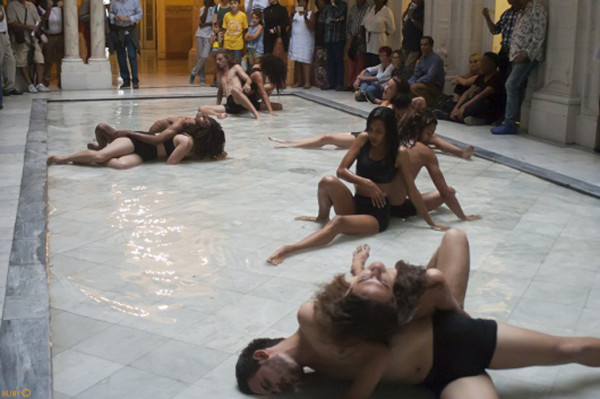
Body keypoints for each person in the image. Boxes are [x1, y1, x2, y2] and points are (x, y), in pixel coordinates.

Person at [238, 227, 600, 399]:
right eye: (273, 394)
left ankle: (436, 293)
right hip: (441, 378)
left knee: (570, 350)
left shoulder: (309, 319)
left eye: (268, 384)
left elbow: (377, 351)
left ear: (263, 354)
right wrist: (356, 266)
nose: (280, 390)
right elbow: (356, 308)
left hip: (453, 333)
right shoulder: (314, 371)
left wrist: (360, 269)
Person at [266, 107, 405, 265]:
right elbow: (341, 171)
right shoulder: (363, 139)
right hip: (357, 202)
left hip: (376, 215)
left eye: (379, 131)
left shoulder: (398, 152)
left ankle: (289, 249)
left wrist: (430, 222)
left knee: (338, 222)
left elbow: (410, 189)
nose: (373, 134)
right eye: (371, 129)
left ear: (389, 132)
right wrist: (367, 183)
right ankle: (322, 217)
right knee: (327, 181)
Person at [269, 94, 475, 160]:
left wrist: (460, 153)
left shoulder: (421, 135)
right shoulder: (408, 119)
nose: (431, 135)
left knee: (327, 139)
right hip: (368, 135)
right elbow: (419, 100)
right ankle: (290, 142)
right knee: (326, 138)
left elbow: (440, 143)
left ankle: (290, 145)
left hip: (370, 139)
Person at [47, 113, 227, 169]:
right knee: (100, 157)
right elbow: (171, 162)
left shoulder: (194, 146)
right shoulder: (186, 142)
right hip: (139, 143)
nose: (200, 118)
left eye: (205, 120)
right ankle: (61, 158)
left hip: (146, 155)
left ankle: (108, 144)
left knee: (120, 166)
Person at [491, 0, 547, 135]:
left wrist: (526, 53)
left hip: (526, 57)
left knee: (511, 85)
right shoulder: (524, 10)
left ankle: (510, 122)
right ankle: (509, 120)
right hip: (515, 55)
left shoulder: (536, 9)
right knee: (513, 86)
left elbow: (539, 34)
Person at [197, 50, 261, 119]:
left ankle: (256, 114)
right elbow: (220, 92)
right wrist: (217, 105)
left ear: (227, 59)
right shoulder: (220, 74)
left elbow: (248, 79)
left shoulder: (235, 68)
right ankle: (219, 114)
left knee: (234, 90)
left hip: (238, 99)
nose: (217, 62)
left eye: (220, 59)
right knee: (201, 108)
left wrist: (247, 84)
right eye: (216, 60)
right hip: (230, 104)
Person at [447, 52, 505, 126]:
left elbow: (481, 95)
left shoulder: (497, 78)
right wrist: (457, 107)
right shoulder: (481, 77)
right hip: (477, 102)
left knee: (469, 108)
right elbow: (467, 93)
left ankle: (483, 120)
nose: (482, 65)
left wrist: (463, 107)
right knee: (453, 106)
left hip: (489, 106)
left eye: (485, 62)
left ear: (492, 64)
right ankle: (458, 116)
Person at [7, 0, 50, 93]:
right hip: (20, 38)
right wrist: (28, 27)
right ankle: (30, 84)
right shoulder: (12, 6)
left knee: (40, 59)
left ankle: (39, 83)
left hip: (33, 37)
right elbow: (11, 23)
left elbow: (38, 21)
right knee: (22, 61)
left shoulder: (31, 5)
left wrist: (47, 13)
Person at [482, 0, 522, 81]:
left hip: (516, 52)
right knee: (502, 78)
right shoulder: (506, 13)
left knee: (512, 80)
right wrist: (487, 18)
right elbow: (495, 30)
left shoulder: (523, 14)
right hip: (504, 51)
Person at [109, 0, 143, 89]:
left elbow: (140, 14)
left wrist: (129, 19)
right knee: (121, 57)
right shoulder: (113, 1)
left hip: (130, 31)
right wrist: (114, 18)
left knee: (132, 56)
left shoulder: (135, 1)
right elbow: (111, 13)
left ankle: (135, 80)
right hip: (118, 31)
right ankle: (126, 80)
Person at [408, 36, 445, 107]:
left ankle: (430, 105)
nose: (422, 47)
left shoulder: (436, 59)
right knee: (407, 87)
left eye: (425, 45)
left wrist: (415, 82)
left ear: (431, 46)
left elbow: (429, 77)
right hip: (423, 83)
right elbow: (416, 74)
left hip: (434, 86)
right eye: (421, 45)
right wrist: (408, 82)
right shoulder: (422, 58)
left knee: (414, 87)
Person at [288, 0, 315, 89]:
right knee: (297, 61)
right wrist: (292, 14)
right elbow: (289, 24)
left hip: (306, 40)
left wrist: (305, 17)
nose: (301, 4)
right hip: (296, 40)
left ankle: (307, 82)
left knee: (306, 61)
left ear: (306, 4)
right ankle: (299, 81)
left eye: (303, 2)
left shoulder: (310, 13)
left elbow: (311, 27)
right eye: (300, 2)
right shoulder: (295, 13)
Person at [361, 0, 395, 67]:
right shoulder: (370, 9)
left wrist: (380, 32)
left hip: (379, 41)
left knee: (377, 62)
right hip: (368, 42)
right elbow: (363, 23)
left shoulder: (387, 11)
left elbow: (391, 29)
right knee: (368, 63)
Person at [38, 0, 63, 88]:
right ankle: (47, 79)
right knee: (48, 59)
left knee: (61, 58)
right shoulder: (43, 4)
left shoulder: (61, 3)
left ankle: (61, 80)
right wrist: (49, 8)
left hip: (61, 35)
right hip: (49, 36)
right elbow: (43, 20)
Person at [323, 0, 346, 91]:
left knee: (338, 61)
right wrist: (335, 20)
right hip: (328, 38)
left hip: (338, 38)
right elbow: (324, 19)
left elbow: (339, 14)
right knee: (329, 61)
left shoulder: (342, 5)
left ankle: (340, 83)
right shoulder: (327, 7)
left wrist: (334, 18)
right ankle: (330, 82)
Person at [345, 0, 368, 90]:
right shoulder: (353, 8)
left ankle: (357, 84)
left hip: (363, 38)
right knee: (351, 61)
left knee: (361, 62)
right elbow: (349, 23)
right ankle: (350, 83)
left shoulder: (368, 8)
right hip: (352, 37)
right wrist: (349, 37)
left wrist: (362, 34)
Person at [190, 0, 215, 85]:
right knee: (200, 57)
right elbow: (202, 20)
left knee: (205, 56)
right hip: (200, 34)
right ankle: (202, 79)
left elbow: (213, 23)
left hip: (209, 35)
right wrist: (207, 8)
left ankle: (194, 72)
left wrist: (206, 24)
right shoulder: (202, 9)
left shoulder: (215, 9)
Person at [0, 1, 20, 97]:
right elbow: (1, 18)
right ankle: (2, 87)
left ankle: (9, 87)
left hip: (4, 34)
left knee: (10, 60)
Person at [400, 0, 424, 73]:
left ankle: (406, 82)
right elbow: (404, 19)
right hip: (406, 42)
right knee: (402, 65)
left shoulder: (423, 9)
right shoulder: (411, 5)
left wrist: (412, 17)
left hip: (415, 45)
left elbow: (422, 27)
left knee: (408, 67)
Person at [312, 0, 328, 89]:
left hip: (326, 41)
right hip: (318, 41)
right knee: (318, 63)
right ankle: (318, 81)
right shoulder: (316, 14)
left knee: (325, 63)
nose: (320, 3)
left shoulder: (328, 12)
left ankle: (325, 82)